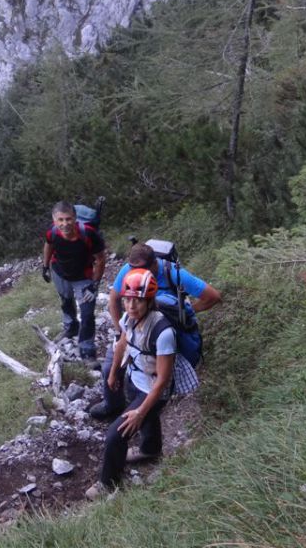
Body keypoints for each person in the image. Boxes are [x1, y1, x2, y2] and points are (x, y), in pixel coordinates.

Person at [89, 242, 221, 420]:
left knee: (156, 376)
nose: (134, 273)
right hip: (132, 328)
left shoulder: (173, 273)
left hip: (161, 334)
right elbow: (114, 299)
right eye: (132, 268)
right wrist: (120, 330)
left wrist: (187, 313)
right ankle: (112, 405)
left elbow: (213, 296)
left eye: (141, 269)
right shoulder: (129, 269)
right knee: (109, 369)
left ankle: (146, 412)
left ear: (154, 264)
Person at [85, 268, 174, 499]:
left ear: (149, 301)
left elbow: (163, 379)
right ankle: (150, 450)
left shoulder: (163, 332)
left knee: (116, 434)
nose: (131, 306)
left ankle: (108, 483)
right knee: (149, 419)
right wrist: (113, 373)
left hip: (154, 389)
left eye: (138, 301)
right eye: (127, 300)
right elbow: (122, 345)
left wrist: (140, 412)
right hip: (136, 379)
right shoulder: (128, 319)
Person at [42, 201, 106, 360]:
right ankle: (71, 327)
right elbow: (48, 245)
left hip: (84, 277)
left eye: (69, 219)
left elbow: (100, 260)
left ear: (75, 218)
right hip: (60, 272)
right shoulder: (52, 232)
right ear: (54, 220)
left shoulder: (89, 234)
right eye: (60, 220)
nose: (65, 224)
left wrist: (94, 285)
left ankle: (87, 348)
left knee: (87, 313)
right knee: (65, 300)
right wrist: (45, 266)